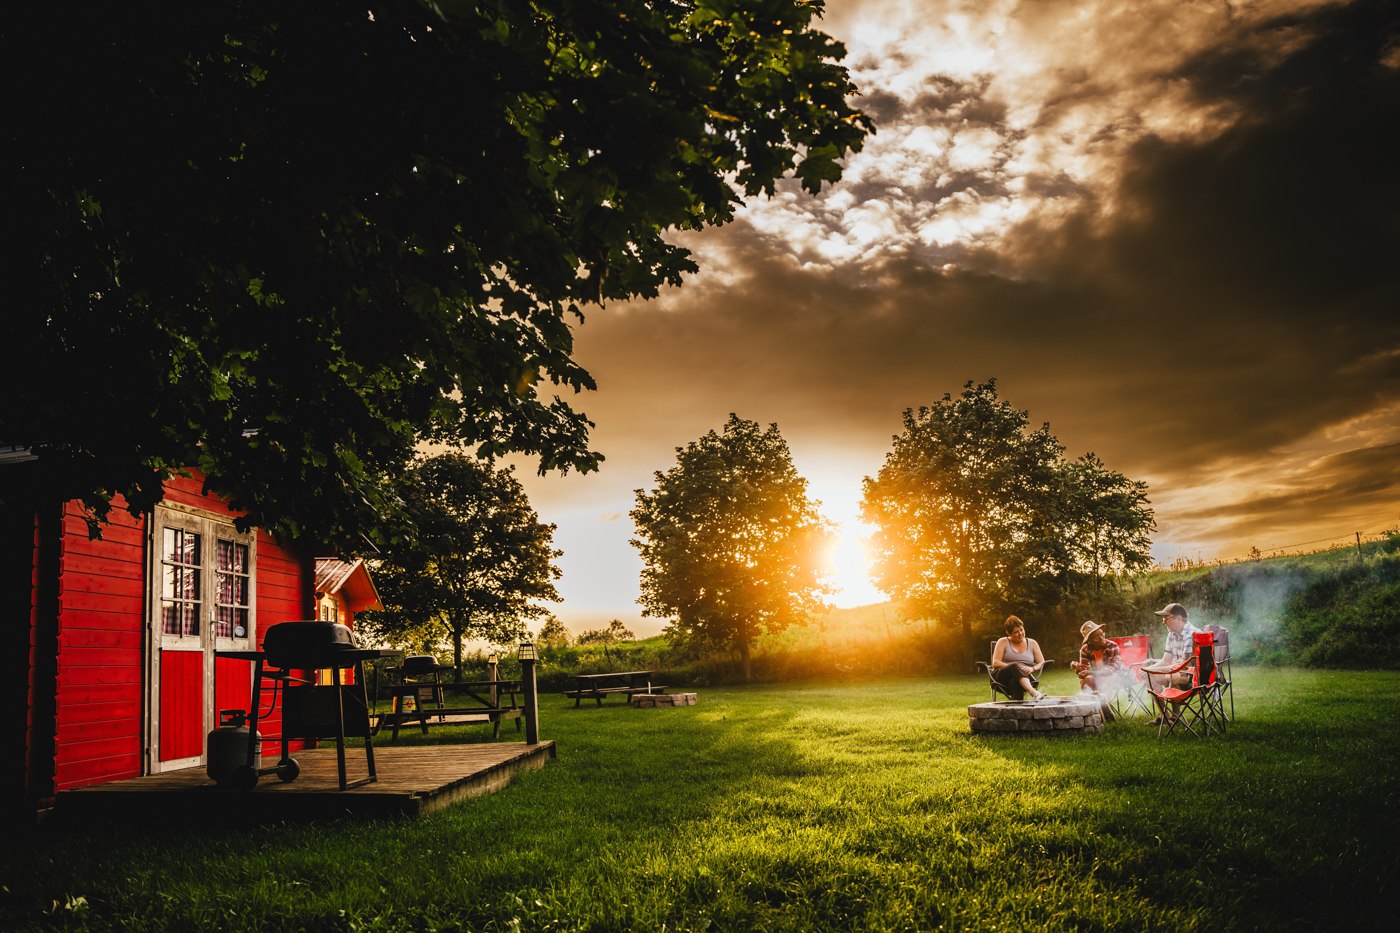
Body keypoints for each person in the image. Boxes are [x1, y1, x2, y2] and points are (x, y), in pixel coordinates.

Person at [1141, 602, 1199, 724]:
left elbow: (1184, 665)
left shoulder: (1192, 634)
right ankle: (1165, 717)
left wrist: (1156, 670)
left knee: (1171, 675)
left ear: (1179, 618)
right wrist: (1148, 670)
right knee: (1149, 676)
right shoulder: (1172, 635)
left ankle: (1175, 716)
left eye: (1166, 618)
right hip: (1178, 672)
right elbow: (1165, 660)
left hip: (1194, 676)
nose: (1163, 622)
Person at [1070, 620, 1127, 722]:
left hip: (1118, 676)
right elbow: (1083, 670)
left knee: (1102, 680)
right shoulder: (1085, 649)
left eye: (1102, 634)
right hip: (1098, 676)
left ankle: (1106, 713)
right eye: (1097, 637)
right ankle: (1089, 711)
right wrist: (1077, 667)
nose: (1102, 638)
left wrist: (1090, 673)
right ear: (1089, 641)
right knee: (1086, 681)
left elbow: (1111, 669)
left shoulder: (1112, 646)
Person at [991, 616, 1048, 701]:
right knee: (1014, 666)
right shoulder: (1003, 642)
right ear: (1008, 633)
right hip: (1001, 677)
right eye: (1016, 632)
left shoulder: (1032, 643)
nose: (1020, 633)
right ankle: (1034, 693)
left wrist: (1032, 668)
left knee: (1015, 682)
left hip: (1022, 678)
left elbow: (1041, 663)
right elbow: (995, 663)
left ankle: (1016, 711)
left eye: (1021, 630)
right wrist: (1015, 668)